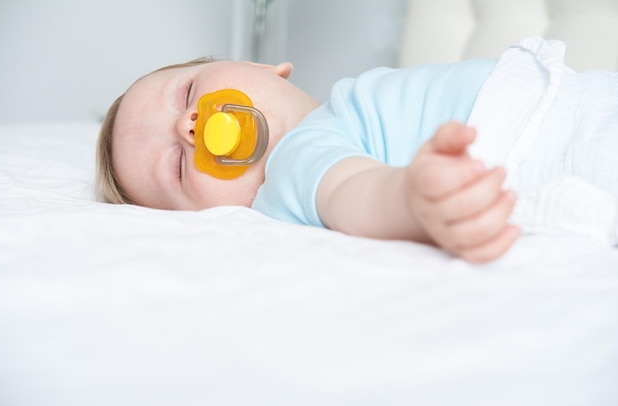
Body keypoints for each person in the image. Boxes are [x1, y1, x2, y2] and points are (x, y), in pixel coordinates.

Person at [96, 37, 618, 263]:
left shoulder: (346, 107)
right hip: (560, 148)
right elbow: (349, 189)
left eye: (188, 94)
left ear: (260, 68)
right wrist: (412, 198)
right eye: (177, 165)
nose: (190, 126)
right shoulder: (294, 162)